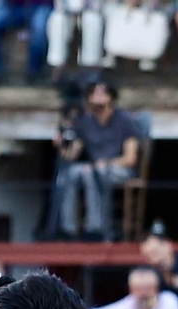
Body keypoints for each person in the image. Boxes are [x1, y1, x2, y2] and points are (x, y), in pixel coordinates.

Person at [51, 80, 141, 243]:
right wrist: (61, 146)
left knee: (91, 173)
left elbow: (130, 158)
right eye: (94, 92)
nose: (98, 96)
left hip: (119, 169)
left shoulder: (125, 121)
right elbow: (71, 156)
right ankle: (67, 228)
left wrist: (107, 164)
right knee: (70, 173)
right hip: (93, 168)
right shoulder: (85, 121)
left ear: (111, 97)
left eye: (103, 92)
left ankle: (96, 228)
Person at [89, 265, 178, 309]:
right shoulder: (128, 303)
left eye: (148, 288)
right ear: (131, 290)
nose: (143, 294)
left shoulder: (168, 300)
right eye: (138, 289)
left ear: (157, 289)